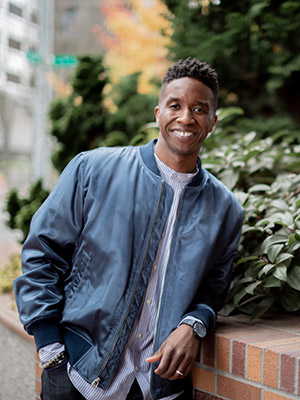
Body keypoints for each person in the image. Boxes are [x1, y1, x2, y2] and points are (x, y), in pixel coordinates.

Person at [14, 57, 244, 400]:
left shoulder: (225, 209)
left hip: (157, 387)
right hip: (77, 374)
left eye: (199, 108)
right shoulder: (92, 170)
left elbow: (213, 289)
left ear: (213, 121)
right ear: (157, 113)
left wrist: (193, 326)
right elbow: (43, 253)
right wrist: (50, 348)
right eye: (175, 105)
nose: (186, 117)